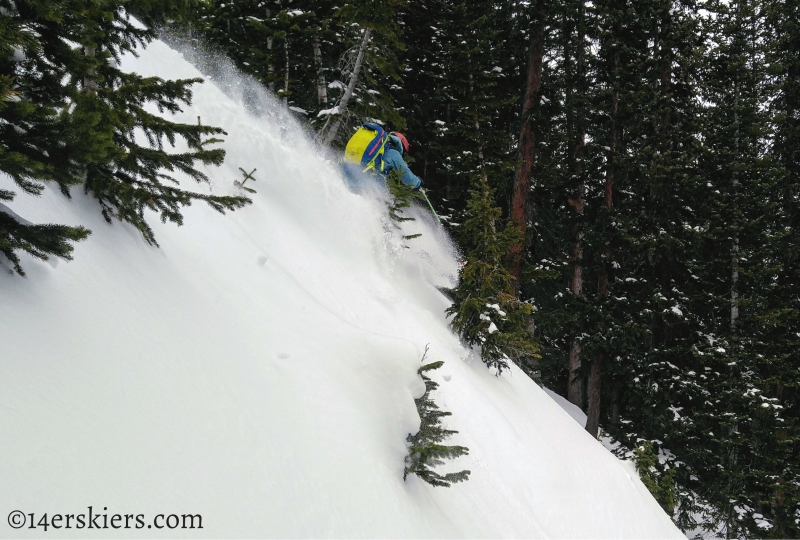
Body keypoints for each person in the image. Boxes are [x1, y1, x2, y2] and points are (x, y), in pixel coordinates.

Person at [342, 124, 422, 192]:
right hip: (367, 183)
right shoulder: (393, 152)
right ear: (401, 147)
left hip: (347, 173)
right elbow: (405, 172)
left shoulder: (379, 147)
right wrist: (417, 184)